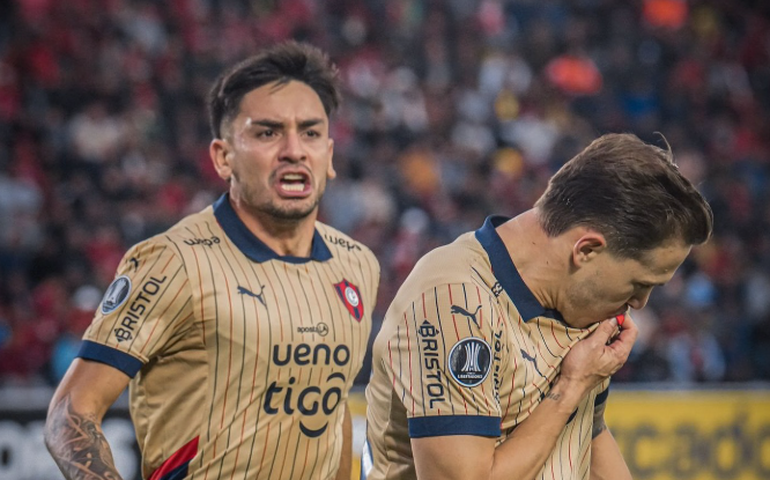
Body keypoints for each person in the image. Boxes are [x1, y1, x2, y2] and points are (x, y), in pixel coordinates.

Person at [44, 41, 380, 480]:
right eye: (268, 132)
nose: (294, 150)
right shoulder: (172, 262)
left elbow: (331, 415)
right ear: (223, 157)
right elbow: (70, 412)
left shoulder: (357, 265)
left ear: (330, 157)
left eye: (311, 133)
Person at [362, 133, 713, 480]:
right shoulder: (455, 300)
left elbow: (587, 437)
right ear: (586, 250)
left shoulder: (577, 302)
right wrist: (571, 387)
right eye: (640, 284)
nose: (639, 302)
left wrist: (579, 390)